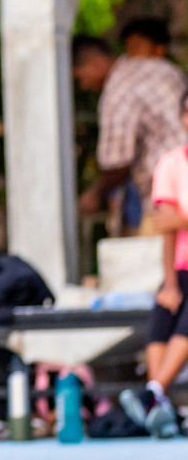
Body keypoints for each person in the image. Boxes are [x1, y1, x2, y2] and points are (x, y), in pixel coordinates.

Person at [73, 22, 188, 235]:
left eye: (80, 78)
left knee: (160, 260)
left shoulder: (117, 90)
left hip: (170, 200)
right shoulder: (164, 69)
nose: (84, 86)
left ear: (94, 62)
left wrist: (95, 194)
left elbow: (118, 162)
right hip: (179, 192)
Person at [123, 90, 188, 438]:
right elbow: (164, 226)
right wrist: (170, 283)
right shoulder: (171, 164)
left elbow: (172, 219)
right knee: (164, 314)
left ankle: (151, 396)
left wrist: (180, 218)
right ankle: (156, 399)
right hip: (182, 265)